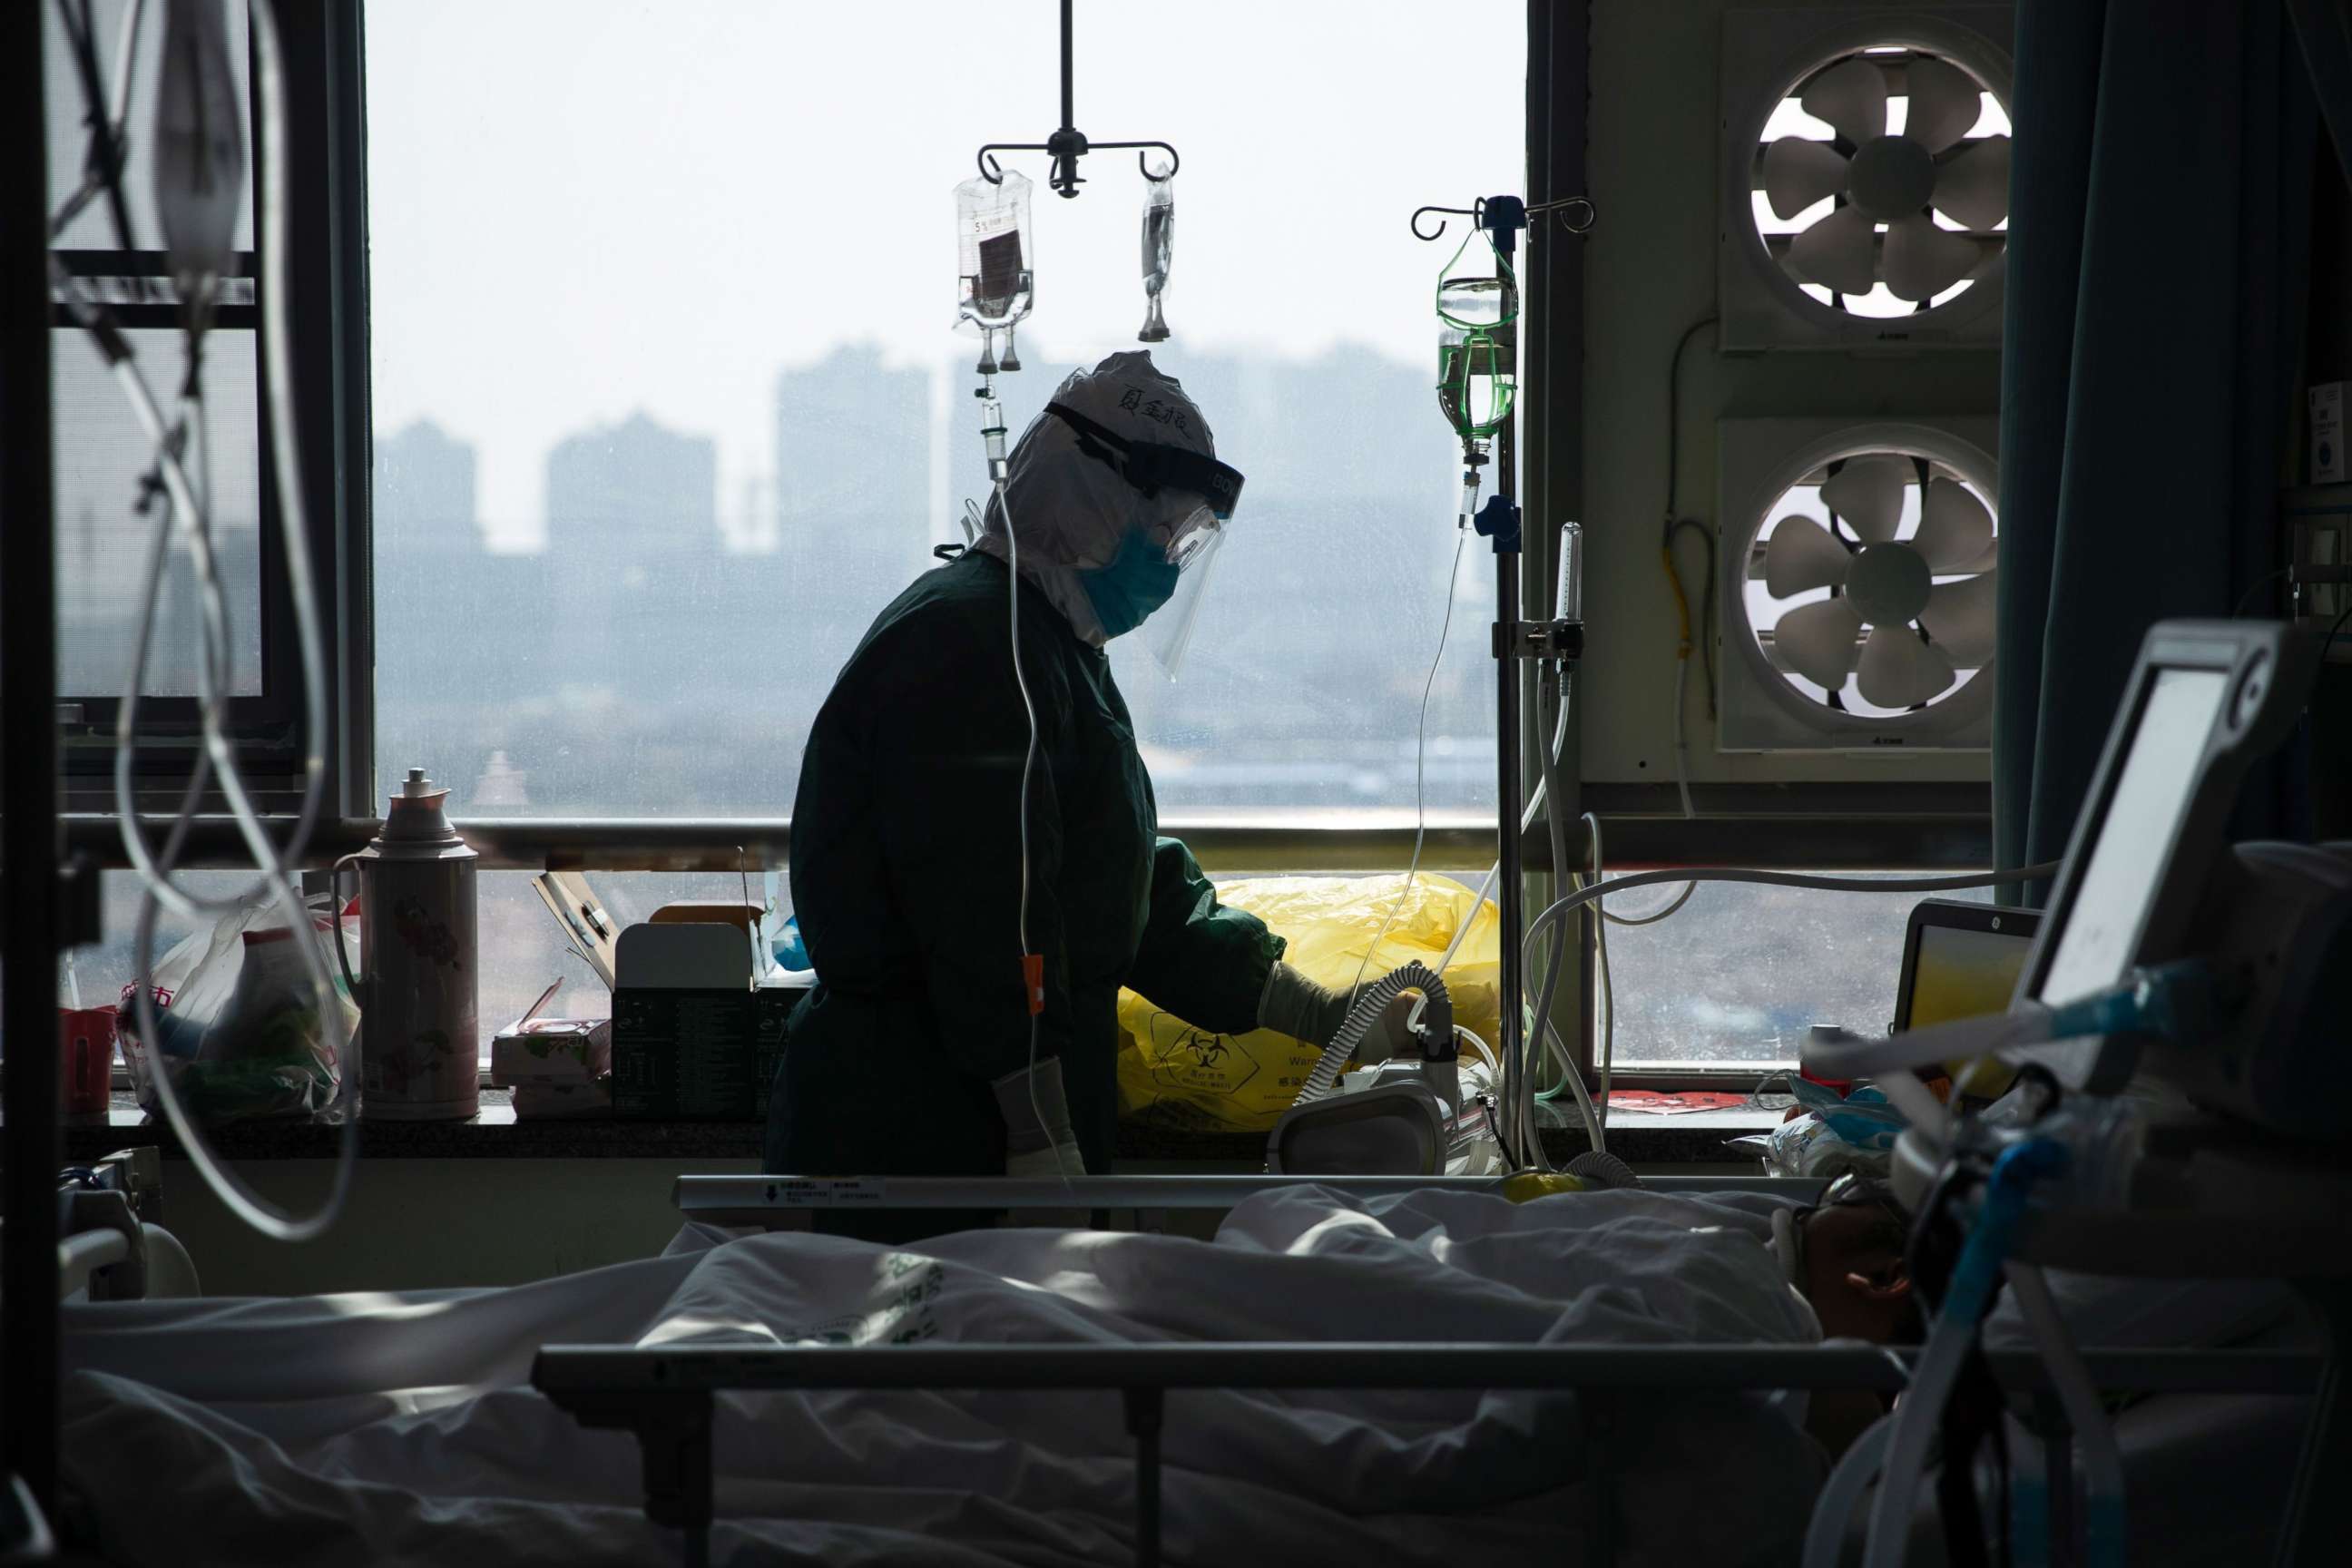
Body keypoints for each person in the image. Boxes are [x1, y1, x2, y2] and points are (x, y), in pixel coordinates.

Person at [766, 351, 1388, 1239]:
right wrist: (1035, 1128)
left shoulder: (1049, 650)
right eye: (1164, 533)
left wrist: (1318, 1010)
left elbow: (1116, 886)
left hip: (1001, 1117)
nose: (1169, 566)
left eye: (1184, 544)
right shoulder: (968, 649)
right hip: (926, 1130)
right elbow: (991, 917)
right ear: (1092, 502)